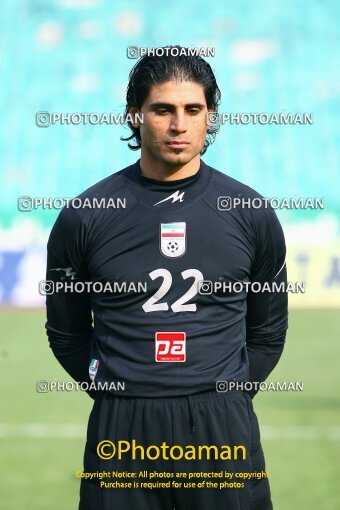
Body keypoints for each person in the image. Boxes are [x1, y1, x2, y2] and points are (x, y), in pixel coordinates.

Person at [45, 45, 288, 510]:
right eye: (163, 110)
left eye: (193, 110)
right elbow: (67, 334)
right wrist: (122, 391)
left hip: (222, 429)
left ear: (210, 116)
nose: (179, 126)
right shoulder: (85, 216)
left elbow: (268, 333)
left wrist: (221, 396)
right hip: (122, 430)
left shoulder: (250, 213)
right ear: (135, 115)